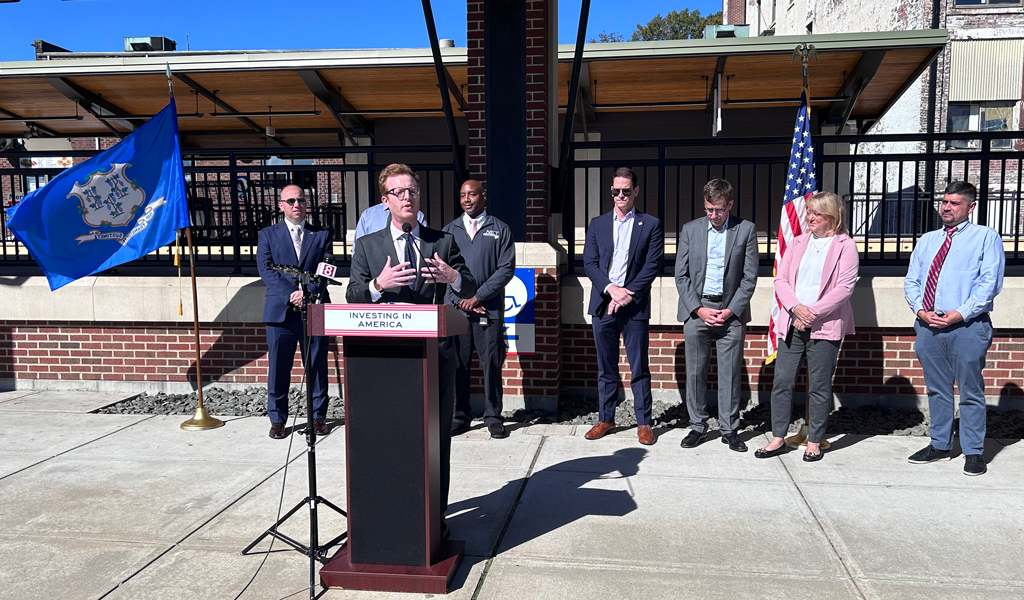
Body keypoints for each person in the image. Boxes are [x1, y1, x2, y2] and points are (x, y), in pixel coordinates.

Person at [346, 163, 477, 537]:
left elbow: (468, 285)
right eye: (399, 192)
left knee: (436, 441)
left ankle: (435, 517)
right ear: (384, 200)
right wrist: (378, 285)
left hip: (436, 357)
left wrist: (452, 277)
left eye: (413, 192)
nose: (407, 197)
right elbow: (352, 295)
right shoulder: (367, 246)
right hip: (385, 362)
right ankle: (391, 513)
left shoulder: (441, 242)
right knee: (390, 438)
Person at [904, 181, 1004, 476]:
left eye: (955, 203)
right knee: (937, 389)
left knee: (971, 391)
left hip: (967, 326)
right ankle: (940, 444)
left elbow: (989, 284)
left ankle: (973, 452)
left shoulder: (986, 237)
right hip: (928, 326)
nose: (947, 207)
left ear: (971, 207)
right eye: (944, 201)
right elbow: (912, 281)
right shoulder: (927, 240)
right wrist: (921, 310)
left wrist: (959, 314)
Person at [755, 191, 858, 462]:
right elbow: (781, 280)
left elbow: (844, 288)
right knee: (782, 381)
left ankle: (814, 440)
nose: (810, 217)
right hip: (793, 322)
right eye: (809, 212)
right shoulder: (798, 242)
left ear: (833, 217)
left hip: (825, 324)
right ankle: (778, 437)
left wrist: (811, 313)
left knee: (819, 386)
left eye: (817, 213)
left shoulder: (845, 245)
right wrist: (796, 309)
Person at [675, 179, 758, 452]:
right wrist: (698, 309)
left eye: (719, 210)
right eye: (709, 209)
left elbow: (749, 278)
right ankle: (698, 426)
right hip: (697, 311)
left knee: (730, 373)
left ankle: (730, 429)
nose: (714, 215)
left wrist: (731, 310)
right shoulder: (690, 230)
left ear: (730, 205)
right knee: (696, 372)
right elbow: (681, 275)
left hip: (730, 313)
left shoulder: (745, 230)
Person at [582, 167, 664, 446]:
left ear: (636, 192)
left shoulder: (650, 224)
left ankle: (644, 423)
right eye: (615, 191)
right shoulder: (597, 224)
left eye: (626, 191)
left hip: (634, 306)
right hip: (603, 305)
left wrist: (627, 294)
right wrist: (612, 290)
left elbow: (652, 265)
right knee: (606, 368)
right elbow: (590, 263)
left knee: (639, 366)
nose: (620, 196)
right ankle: (606, 419)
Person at [256, 185, 333, 440]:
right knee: (279, 367)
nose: (296, 204)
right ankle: (277, 419)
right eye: (291, 200)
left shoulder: (321, 234)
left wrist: (307, 291)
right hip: (280, 311)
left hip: (315, 307)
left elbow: (327, 268)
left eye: (301, 200)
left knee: (317, 364)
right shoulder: (267, 234)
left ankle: (318, 417)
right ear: (281, 205)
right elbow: (266, 269)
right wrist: (291, 293)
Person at [444, 180, 516, 439]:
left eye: (471, 194)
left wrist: (478, 296)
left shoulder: (500, 229)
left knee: (491, 365)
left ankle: (493, 415)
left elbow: (506, 269)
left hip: (489, 310)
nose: (466, 199)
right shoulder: (449, 231)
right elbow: (443, 270)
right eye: (462, 194)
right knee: (459, 366)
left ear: (483, 196)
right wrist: (459, 300)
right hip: (457, 312)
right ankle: (459, 415)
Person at [353, 192, 426, 240]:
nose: (406, 196)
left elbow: (425, 245)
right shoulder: (368, 215)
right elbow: (358, 250)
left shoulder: (418, 215)